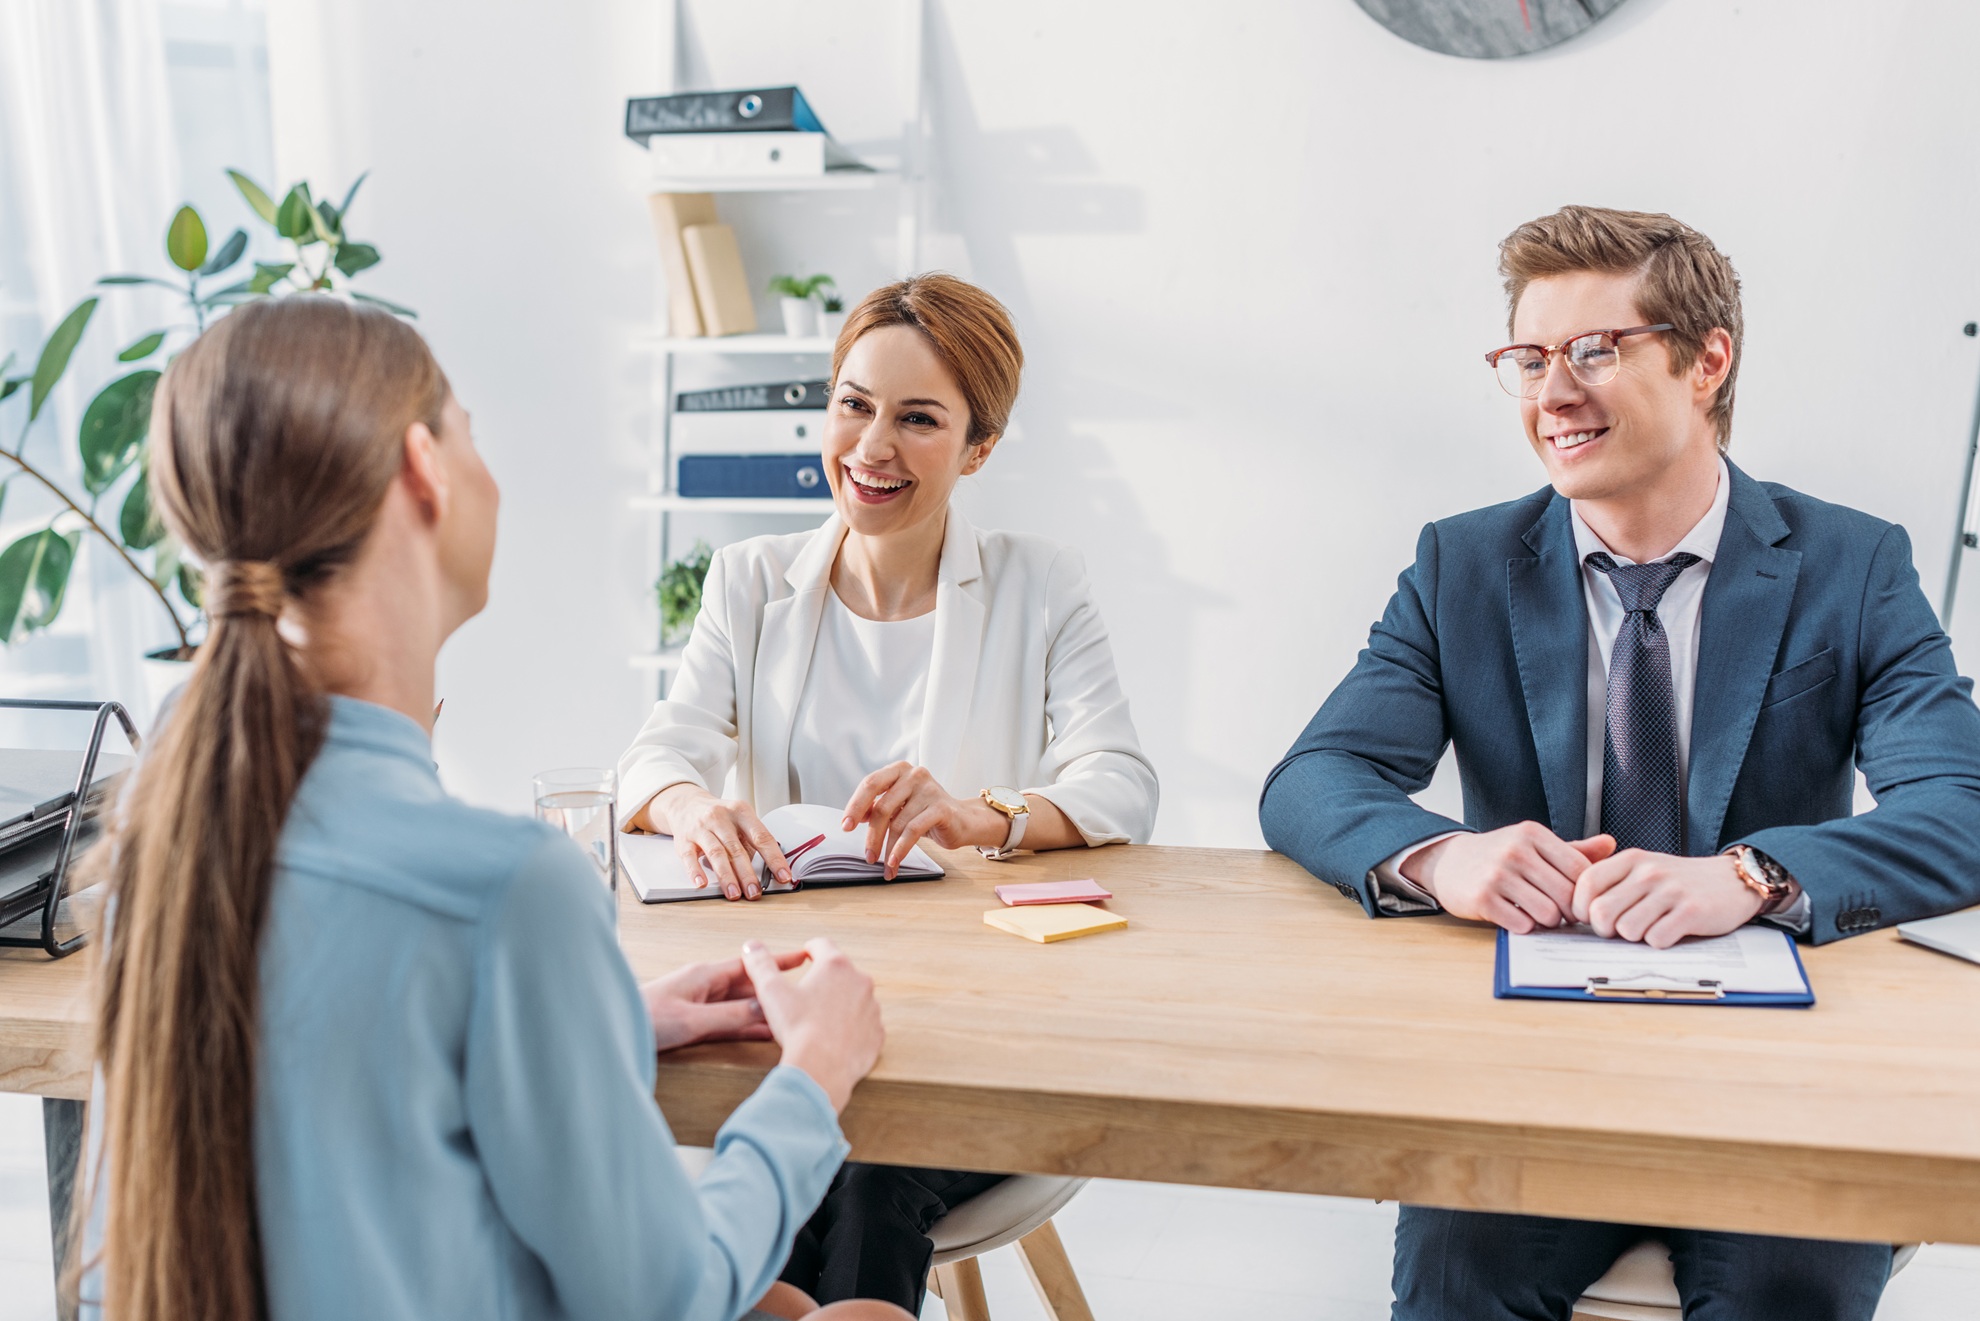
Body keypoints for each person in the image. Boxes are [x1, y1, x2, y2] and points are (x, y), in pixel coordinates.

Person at [78, 296, 907, 1321]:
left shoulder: (169, 809)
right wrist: (814, 1076)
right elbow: (667, 1294)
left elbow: (338, 1077)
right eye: (471, 433)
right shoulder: (502, 886)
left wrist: (591, 1029)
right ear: (424, 469)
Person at [1260, 206, 1980, 1321]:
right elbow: (1315, 778)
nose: (1553, 391)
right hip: (1536, 1066)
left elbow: (1961, 806)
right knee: (1452, 1283)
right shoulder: (1463, 563)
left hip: (1781, 1077)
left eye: (1596, 348)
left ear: (1706, 361)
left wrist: (1749, 874)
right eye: (1529, 357)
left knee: (1790, 1292)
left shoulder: (1851, 563)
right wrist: (1444, 857)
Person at [619, 272, 1158, 1312]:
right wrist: (694, 807)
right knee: (812, 1160)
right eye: (854, 405)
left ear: (978, 447)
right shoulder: (750, 578)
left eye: (919, 419)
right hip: (799, 1016)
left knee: (862, 1174)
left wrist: (981, 812)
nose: (871, 447)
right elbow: (656, 754)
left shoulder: (1039, 582)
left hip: (974, 1034)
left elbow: (1122, 782)